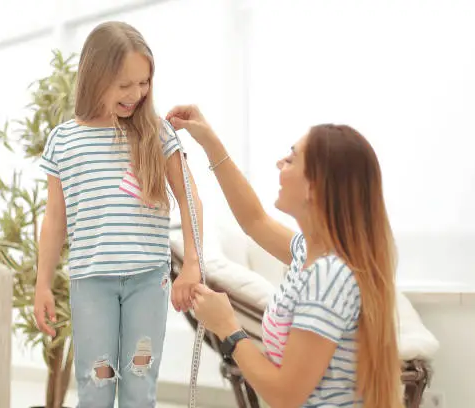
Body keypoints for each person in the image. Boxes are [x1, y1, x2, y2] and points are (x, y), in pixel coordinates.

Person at [166, 105, 403, 408]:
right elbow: (254, 221)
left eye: (291, 159)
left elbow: (285, 395)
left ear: (314, 188)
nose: (280, 163)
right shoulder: (312, 253)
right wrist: (208, 140)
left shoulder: (328, 276)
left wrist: (227, 326)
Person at [33, 22, 203, 408]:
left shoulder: (156, 133)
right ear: (96, 76)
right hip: (91, 283)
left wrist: (192, 263)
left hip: (148, 280)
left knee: (139, 388)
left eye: (143, 83)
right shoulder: (64, 140)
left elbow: (189, 196)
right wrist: (43, 283)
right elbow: (55, 219)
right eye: (124, 84)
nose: (136, 94)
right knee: (95, 386)